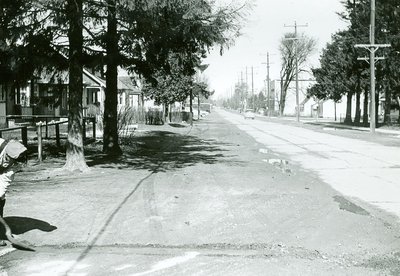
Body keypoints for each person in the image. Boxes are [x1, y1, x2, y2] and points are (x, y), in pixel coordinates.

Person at [0, 138, 27, 246]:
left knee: (1, 200)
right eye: (8, 158)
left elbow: (3, 185)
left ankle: (1, 233)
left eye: (13, 160)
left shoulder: (11, 169)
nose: (10, 162)